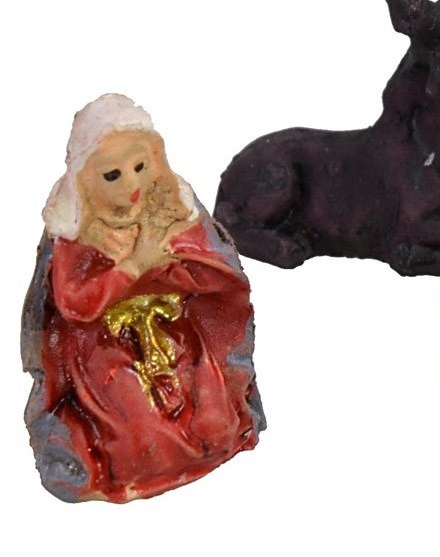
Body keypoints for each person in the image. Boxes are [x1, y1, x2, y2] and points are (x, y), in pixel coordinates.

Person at [23, 94, 264, 501]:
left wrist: (172, 264)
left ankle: (212, 441)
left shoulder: (172, 208)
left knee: (209, 399)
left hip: (173, 328)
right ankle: (127, 465)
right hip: (104, 345)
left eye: (140, 167)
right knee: (133, 416)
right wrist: (135, 267)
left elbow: (215, 272)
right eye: (112, 175)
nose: (132, 185)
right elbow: (75, 302)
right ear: (86, 179)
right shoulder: (77, 230)